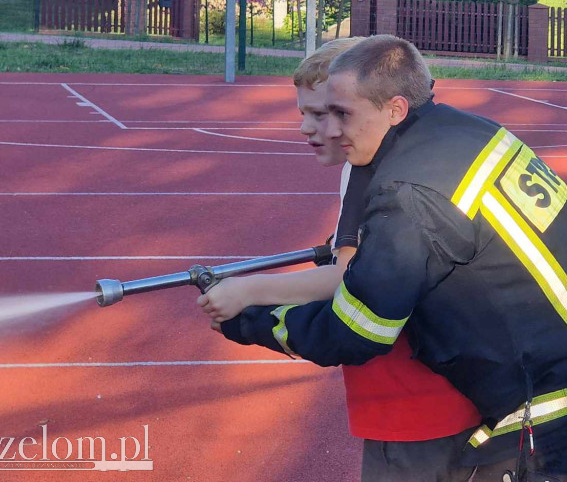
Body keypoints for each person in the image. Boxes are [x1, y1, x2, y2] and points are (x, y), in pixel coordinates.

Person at [248, 34, 567, 482]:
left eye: (338, 113)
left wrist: (250, 312)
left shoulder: (404, 189)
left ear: (392, 108)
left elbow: (360, 328)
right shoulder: (465, 130)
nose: (323, 128)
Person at [198, 37, 482, 481]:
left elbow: (347, 279)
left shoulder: (371, 169)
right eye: (306, 114)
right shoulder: (408, 153)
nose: (314, 129)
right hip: (455, 387)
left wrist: (247, 296)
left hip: (412, 397)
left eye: (330, 113)